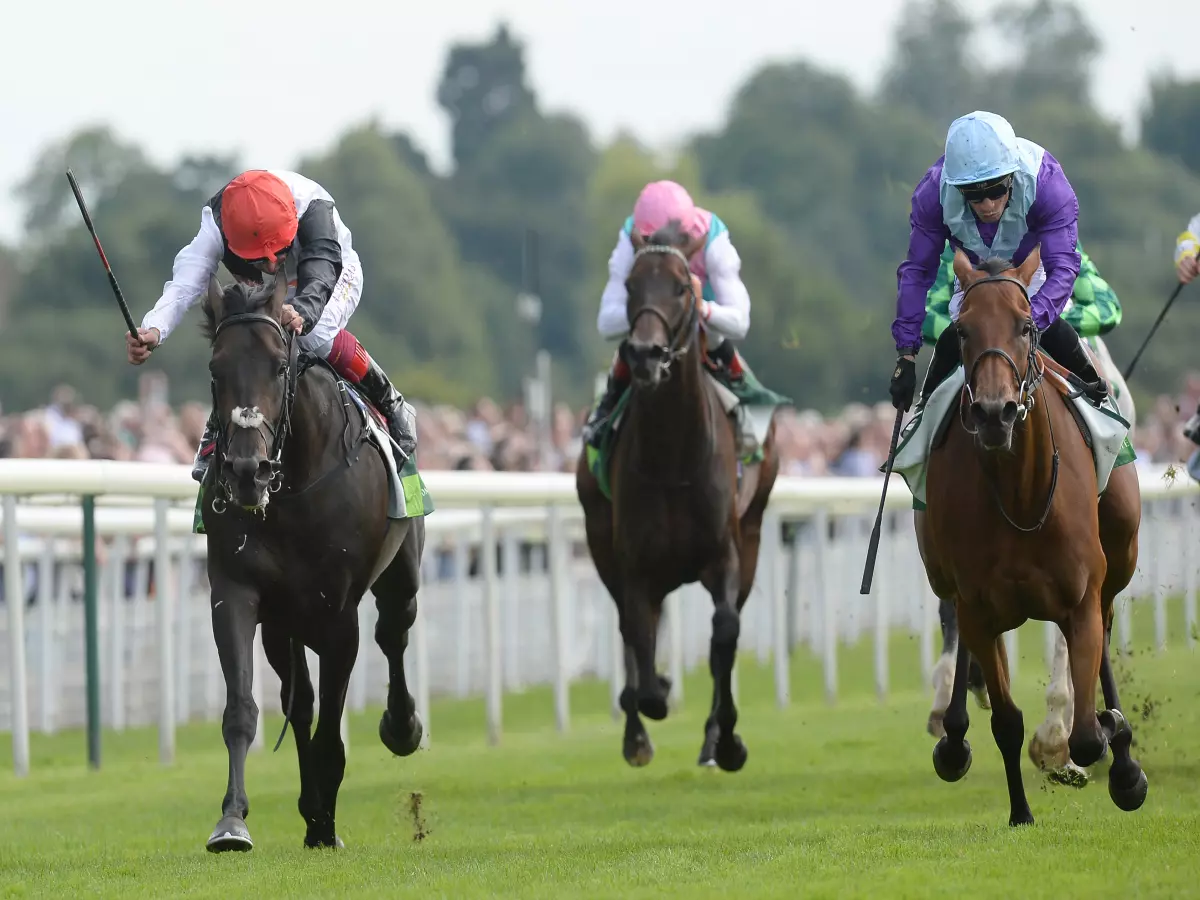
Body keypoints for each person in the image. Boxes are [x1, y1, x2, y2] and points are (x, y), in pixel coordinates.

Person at [125, 169, 416, 482]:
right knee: (245, 338)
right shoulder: (216, 224)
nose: (272, 264)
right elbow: (184, 285)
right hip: (276, 289)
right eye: (260, 260)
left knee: (311, 334)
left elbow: (320, 276)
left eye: (276, 253)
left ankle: (391, 401)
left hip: (332, 272)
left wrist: (301, 311)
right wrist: (154, 329)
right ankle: (218, 425)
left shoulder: (314, 209)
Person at [888, 110, 1110, 416]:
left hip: (1032, 270)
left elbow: (1064, 267)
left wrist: (1033, 320)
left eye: (996, 190)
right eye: (974, 196)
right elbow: (917, 272)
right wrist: (906, 355)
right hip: (976, 276)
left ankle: (1108, 419)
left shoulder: (1046, 182)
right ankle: (921, 424)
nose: (988, 205)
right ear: (956, 187)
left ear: (1012, 175)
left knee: (1057, 333)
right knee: (956, 337)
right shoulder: (932, 193)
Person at [582, 180, 752, 446]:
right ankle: (606, 410)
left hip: (703, 323)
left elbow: (740, 322)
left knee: (716, 338)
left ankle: (745, 402)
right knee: (637, 340)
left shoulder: (714, 240)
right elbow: (606, 322)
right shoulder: (630, 236)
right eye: (648, 242)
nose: (658, 251)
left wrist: (701, 308)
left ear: (687, 234)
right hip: (652, 320)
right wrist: (651, 313)